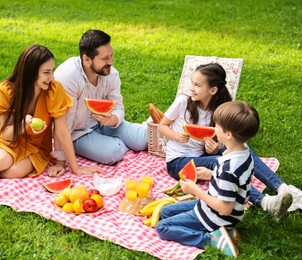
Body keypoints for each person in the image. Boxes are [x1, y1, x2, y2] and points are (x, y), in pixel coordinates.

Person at [158, 63, 301, 220]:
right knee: (221, 163)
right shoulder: (183, 102)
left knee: (243, 149)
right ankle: (265, 202)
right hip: (178, 162)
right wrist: (177, 136)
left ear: (213, 90)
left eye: (197, 85)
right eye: (192, 83)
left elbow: (216, 139)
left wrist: (211, 149)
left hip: (201, 155)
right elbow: (162, 126)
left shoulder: (219, 109)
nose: (192, 88)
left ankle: (282, 188)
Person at [156, 100, 261, 257]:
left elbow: (225, 208)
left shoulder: (228, 168)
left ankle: (212, 240)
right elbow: (236, 183)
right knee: (165, 212)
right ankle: (228, 232)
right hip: (217, 210)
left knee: (163, 227)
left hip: (215, 216)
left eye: (217, 126)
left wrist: (195, 190)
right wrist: (210, 174)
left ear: (228, 134)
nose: (213, 128)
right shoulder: (244, 154)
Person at [0, 44, 103, 178]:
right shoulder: (7, 90)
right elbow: (6, 135)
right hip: (8, 138)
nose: (52, 77)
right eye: (46, 72)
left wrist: (75, 168)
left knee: (11, 173)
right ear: (30, 72)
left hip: (36, 146)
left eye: (52, 71)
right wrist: (25, 124)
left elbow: (62, 131)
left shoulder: (53, 91)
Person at [53, 29, 148, 165]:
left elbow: (118, 107)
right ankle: (117, 145)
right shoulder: (68, 78)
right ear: (86, 60)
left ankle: (135, 134)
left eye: (111, 56)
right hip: (76, 133)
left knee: (142, 140)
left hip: (103, 124)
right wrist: (60, 160)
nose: (111, 62)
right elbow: (63, 125)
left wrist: (113, 119)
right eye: (105, 58)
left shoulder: (111, 74)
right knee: (114, 152)